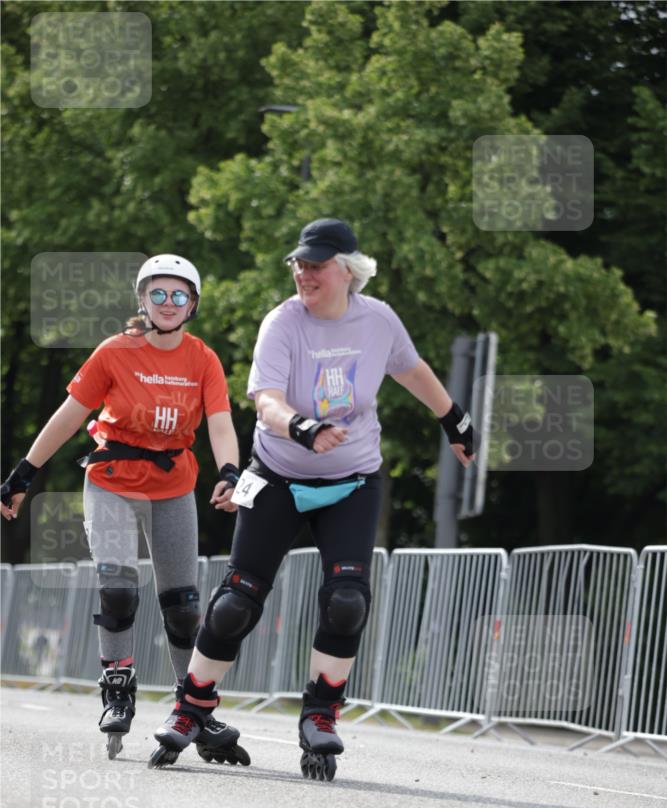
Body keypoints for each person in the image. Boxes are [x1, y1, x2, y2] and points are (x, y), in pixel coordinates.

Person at [149, 219, 477, 779]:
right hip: (277, 475)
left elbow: (411, 368)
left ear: (348, 270)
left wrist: (455, 419)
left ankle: (321, 714)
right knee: (236, 602)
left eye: (317, 265)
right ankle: (192, 707)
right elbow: (266, 401)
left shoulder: (378, 320)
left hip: (352, 482)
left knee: (348, 600)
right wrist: (302, 427)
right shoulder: (283, 323)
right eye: (299, 264)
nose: (304, 273)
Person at [1, 254, 250, 766]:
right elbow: (70, 415)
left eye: (178, 295)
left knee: (182, 605)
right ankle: (118, 688)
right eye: (158, 294)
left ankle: (194, 707)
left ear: (192, 304)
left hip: (173, 484)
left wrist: (230, 472)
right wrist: (23, 474)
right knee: (117, 589)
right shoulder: (115, 351)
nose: (167, 303)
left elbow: (221, 422)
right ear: (142, 299)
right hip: (112, 481)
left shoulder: (202, 359)